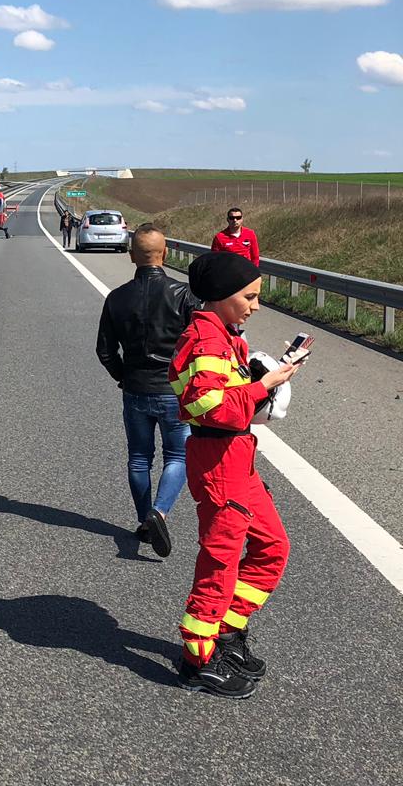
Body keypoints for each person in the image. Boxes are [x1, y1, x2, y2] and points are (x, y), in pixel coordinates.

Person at [168, 251, 298, 698]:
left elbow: (230, 401)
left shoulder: (225, 337)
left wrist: (269, 380)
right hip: (220, 460)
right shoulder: (207, 341)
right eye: (250, 297)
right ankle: (198, 659)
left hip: (237, 457)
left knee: (273, 546)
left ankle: (226, 629)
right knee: (220, 560)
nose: (256, 306)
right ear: (223, 295)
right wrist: (264, 385)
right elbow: (207, 406)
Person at [96, 225, 198, 557]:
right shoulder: (184, 295)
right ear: (165, 254)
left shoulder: (117, 297)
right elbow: (200, 345)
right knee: (178, 455)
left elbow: (105, 351)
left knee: (139, 458)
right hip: (173, 391)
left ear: (131, 256)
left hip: (136, 388)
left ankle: (144, 520)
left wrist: (123, 377)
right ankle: (160, 512)